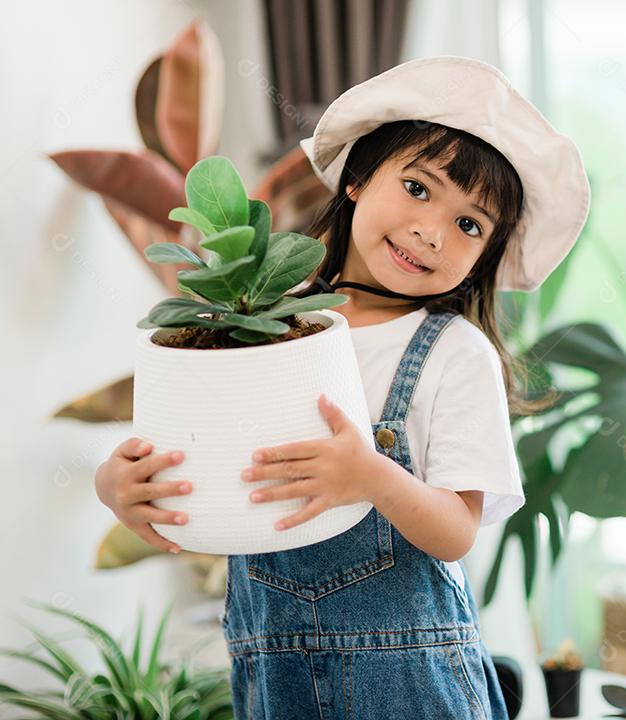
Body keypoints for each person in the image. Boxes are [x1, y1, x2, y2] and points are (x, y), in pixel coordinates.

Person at [93, 55, 590, 719]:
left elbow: (456, 532)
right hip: (273, 681)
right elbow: (206, 465)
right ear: (356, 177)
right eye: (417, 188)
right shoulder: (258, 324)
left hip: (412, 689)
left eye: (469, 225)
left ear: (483, 261)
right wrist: (120, 486)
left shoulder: (455, 353)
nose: (431, 232)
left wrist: (372, 477)